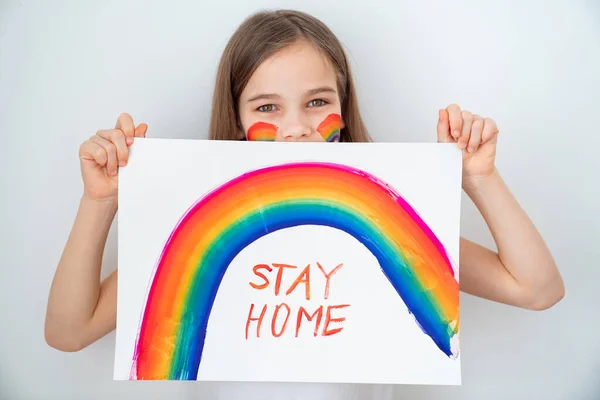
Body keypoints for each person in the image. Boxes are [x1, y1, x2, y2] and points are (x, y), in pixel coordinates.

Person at [44, 9, 564, 352]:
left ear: (344, 106)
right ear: (239, 121)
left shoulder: (387, 222)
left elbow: (538, 289)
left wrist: (479, 177)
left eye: (317, 102)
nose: (298, 128)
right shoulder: (192, 232)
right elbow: (69, 332)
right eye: (268, 106)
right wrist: (101, 202)